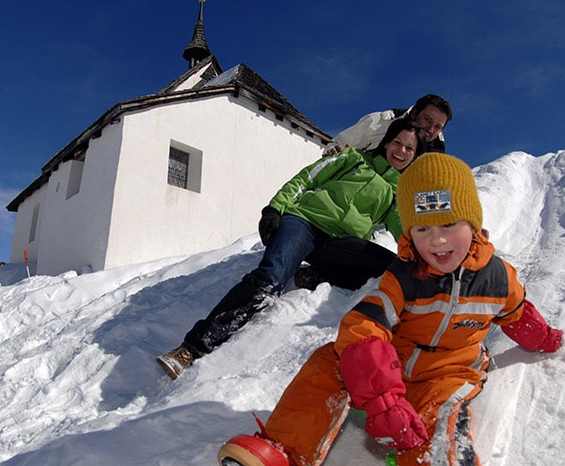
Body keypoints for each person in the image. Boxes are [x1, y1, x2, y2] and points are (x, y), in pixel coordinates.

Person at [215, 152, 564, 466]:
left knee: (442, 422)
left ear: (473, 223)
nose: (437, 241)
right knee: (333, 360)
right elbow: (362, 328)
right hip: (391, 371)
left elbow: (520, 317)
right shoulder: (402, 276)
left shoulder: (500, 279)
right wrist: (382, 397)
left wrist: (548, 339)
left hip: (448, 374)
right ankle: (284, 458)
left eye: (449, 224)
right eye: (422, 228)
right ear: (408, 233)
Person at [156, 117, 428, 380]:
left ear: (415, 155)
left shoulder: (396, 192)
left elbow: (402, 230)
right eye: (397, 142)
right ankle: (191, 349)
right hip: (304, 223)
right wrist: (275, 208)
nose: (401, 151)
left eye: (409, 148)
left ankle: (315, 276)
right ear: (387, 142)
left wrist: (426, 253)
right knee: (270, 279)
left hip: (339, 243)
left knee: (386, 264)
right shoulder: (351, 159)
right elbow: (306, 178)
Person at [326, 93, 452, 156]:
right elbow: (336, 145)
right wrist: (336, 153)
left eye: (437, 127)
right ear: (414, 113)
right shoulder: (378, 123)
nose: (430, 129)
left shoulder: (436, 156)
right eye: (427, 120)